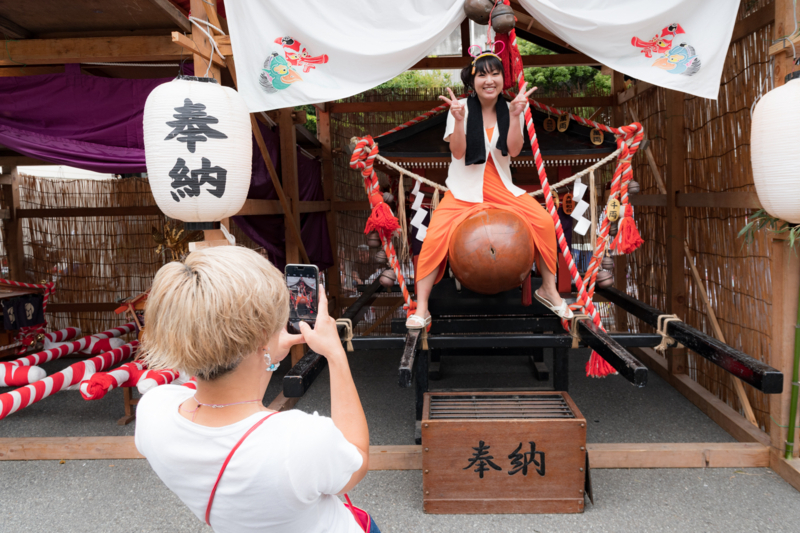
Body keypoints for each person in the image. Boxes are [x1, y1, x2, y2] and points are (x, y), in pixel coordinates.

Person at [135, 246, 375, 533]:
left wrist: (267, 355)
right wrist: (335, 354)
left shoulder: (152, 413)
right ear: (262, 335)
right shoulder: (301, 439)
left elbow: (210, 379)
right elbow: (356, 461)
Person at [405, 49, 573, 330]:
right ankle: (421, 307)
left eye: (495, 73)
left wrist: (518, 115)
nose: (489, 80)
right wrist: (459, 120)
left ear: (502, 79)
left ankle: (548, 289)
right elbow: (458, 153)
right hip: (463, 190)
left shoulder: (510, 108)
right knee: (434, 236)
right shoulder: (460, 108)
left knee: (544, 221)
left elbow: (515, 151)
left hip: (501, 188)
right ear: (472, 81)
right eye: (482, 74)